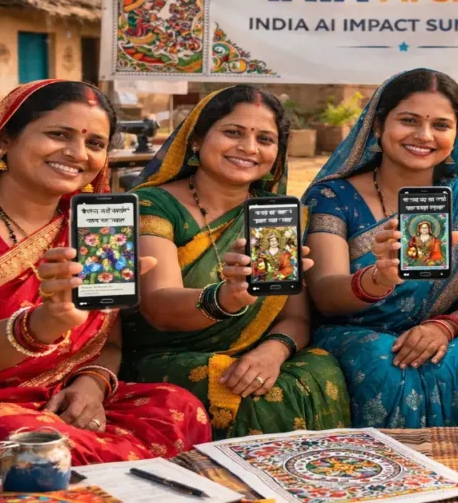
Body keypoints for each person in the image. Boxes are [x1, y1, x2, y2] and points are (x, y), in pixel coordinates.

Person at [0, 80, 210, 481]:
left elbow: (107, 343)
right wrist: (44, 324)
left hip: (55, 398)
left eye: (95, 143)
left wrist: (92, 385)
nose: (78, 153)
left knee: (177, 406)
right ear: (4, 140)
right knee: (26, 446)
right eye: (59, 134)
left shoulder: (93, 227)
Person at [121, 85, 349, 437]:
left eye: (265, 139)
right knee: (239, 389)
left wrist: (272, 351)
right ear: (196, 140)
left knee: (318, 372)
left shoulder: (274, 215)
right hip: (167, 355)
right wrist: (226, 297)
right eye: (233, 132)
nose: (249, 147)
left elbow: (296, 318)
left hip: (256, 353)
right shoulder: (153, 206)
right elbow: (158, 306)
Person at [303, 68, 458, 427]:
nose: (424, 136)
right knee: (383, 366)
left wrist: (442, 328)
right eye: (409, 120)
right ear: (378, 125)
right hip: (354, 334)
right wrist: (377, 279)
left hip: (450, 334)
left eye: (441, 125)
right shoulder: (333, 196)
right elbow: (325, 294)